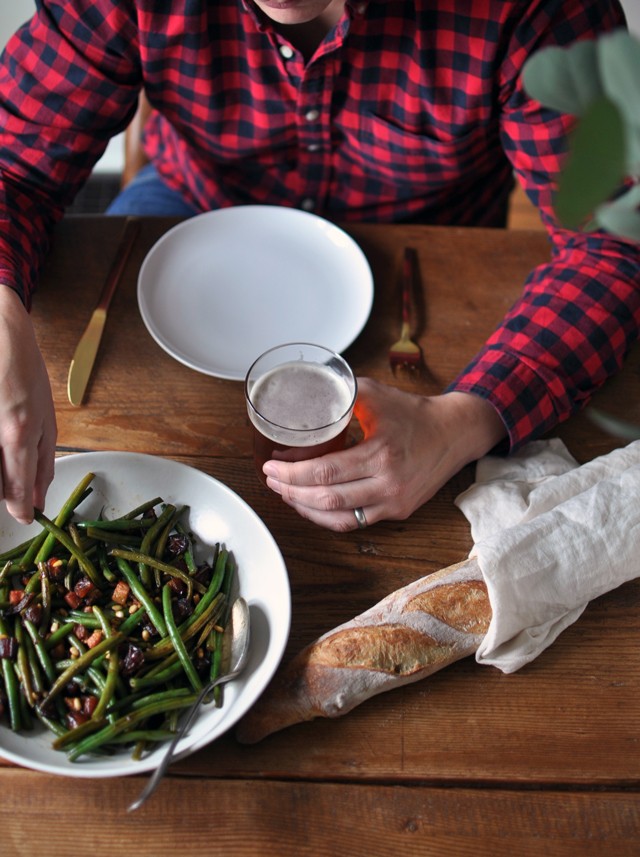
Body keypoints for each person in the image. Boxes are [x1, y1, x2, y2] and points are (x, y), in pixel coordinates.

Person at [0, 0, 638, 533]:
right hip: (188, 203)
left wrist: (464, 422)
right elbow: (12, 166)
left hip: (425, 251)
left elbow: (618, 238)